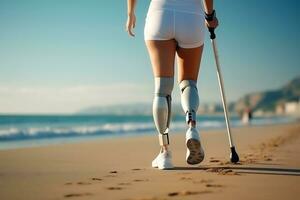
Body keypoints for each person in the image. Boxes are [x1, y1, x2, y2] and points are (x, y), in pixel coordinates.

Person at [126, 0, 219, 170]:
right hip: (191, 17)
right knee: (188, 83)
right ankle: (192, 128)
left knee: (162, 89)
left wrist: (131, 12)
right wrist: (210, 15)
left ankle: (165, 153)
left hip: (160, 14)